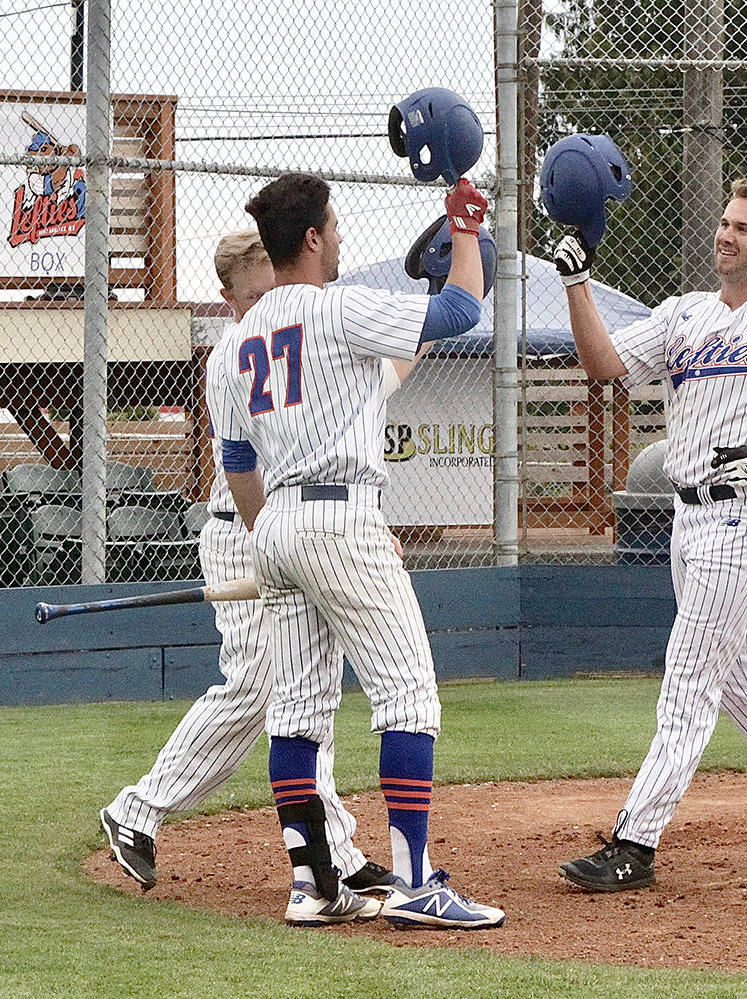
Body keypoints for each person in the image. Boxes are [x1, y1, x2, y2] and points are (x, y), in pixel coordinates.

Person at [209, 172, 503, 929]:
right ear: (309, 238)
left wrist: (278, 545)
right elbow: (462, 309)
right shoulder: (336, 309)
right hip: (341, 513)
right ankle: (414, 882)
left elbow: (240, 464)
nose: (340, 237)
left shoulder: (240, 341)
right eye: (333, 227)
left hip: (276, 522)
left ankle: (313, 885)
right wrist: (464, 227)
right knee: (409, 695)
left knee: (298, 712)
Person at [554, 177, 747, 891]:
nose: (726, 235)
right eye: (725, 223)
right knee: (738, 673)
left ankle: (636, 840)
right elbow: (605, 365)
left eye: (744, 228)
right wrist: (580, 285)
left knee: (689, 675)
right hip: (688, 514)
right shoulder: (683, 315)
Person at [101, 230, 394, 924]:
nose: (268, 303)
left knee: (299, 693)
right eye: (254, 294)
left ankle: (338, 853)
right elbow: (256, 465)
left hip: (282, 536)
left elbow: (379, 379)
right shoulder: (235, 356)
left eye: (275, 288)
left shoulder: (305, 343)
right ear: (231, 299)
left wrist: (426, 313)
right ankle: (135, 808)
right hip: (244, 532)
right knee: (262, 687)